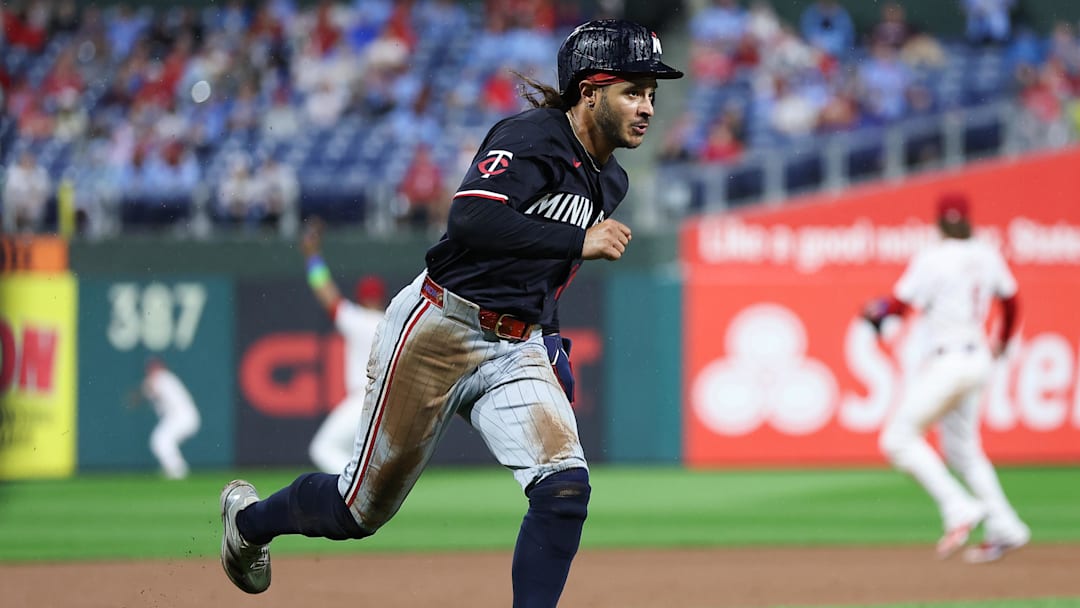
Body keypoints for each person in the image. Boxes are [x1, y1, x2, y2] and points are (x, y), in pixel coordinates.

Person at [218, 19, 682, 605]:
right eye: (633, 90)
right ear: (590, 91)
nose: (646, 107)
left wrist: (554, 336)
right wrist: (575, 241)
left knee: (565, 487)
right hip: (438, 326)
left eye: (651, 95)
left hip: (515, 345)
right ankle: (249, 525)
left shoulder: (609, 180)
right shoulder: (531, 138)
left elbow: (549, 270)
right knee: (358, 511)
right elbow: (471, 218)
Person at [861, 193, 1030, 564]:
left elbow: (900, 305)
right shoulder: (986, 253)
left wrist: (875, 310)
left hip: (949, 361)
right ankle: (1006, 526)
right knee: (965, 453)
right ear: (967, 220)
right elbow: (1012, 300)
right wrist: (1002, 340)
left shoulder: (932, 257)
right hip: (978, 357)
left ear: (938, 222)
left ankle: (958, 508)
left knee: (898, 438)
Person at [299, 219, 388, 474]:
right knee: (354, 456)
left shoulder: (358, 319)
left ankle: (352, 491)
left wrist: (312, 257)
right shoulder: (392, 324)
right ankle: (357, 498)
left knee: (322, 448)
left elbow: (325, 291)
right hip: (385, 401)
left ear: (362, 298)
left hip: (362, 399)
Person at [132, 357, 202, 480]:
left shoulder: (162, 378)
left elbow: (149, 389)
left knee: (160, 440)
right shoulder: (166, 378)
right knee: (162, 441)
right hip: (182, 417)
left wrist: (138, 395)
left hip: (182, 417)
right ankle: (172, 468)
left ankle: (177, 470)